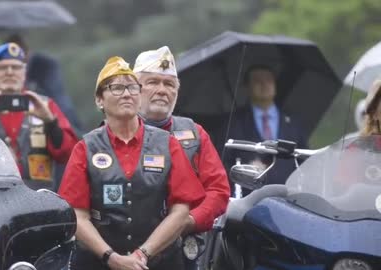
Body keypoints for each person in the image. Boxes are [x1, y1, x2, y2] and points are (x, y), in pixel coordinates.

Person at [58, 56, 205, 270]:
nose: (126, 93)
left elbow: (181, 210)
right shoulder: (86, 147)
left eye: (132, 87)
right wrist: (111, 257)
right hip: (98, 263)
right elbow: (77, 216)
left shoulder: (168, 144)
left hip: (160, 262)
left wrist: (143, 253)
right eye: (116, 88)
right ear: (100, 99)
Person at [133, 46, 231, 268]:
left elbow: (218, 190)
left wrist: (188, 221)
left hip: (181, 251)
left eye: (169, 84)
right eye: (152, 82)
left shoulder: (195, 133)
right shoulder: (115, 132)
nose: (162, 90)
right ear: (134, 89)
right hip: (126, 249)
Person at [0, 43, 78, 190]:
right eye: (2, 67)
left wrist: (51, 122)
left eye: (16, 67)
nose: (10, 72)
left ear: (24, 72)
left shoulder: (45, 105)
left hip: (38, 202)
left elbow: (68, 155)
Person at [223, 64, 308, 194]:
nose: (264, 84)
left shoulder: (293, 121)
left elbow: (304, 160)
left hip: (289, 196)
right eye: (257, 80)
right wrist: (245, 172)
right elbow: (224, 161)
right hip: (249, 198)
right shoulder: (234, 122)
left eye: (268, 79)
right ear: (247, 86)